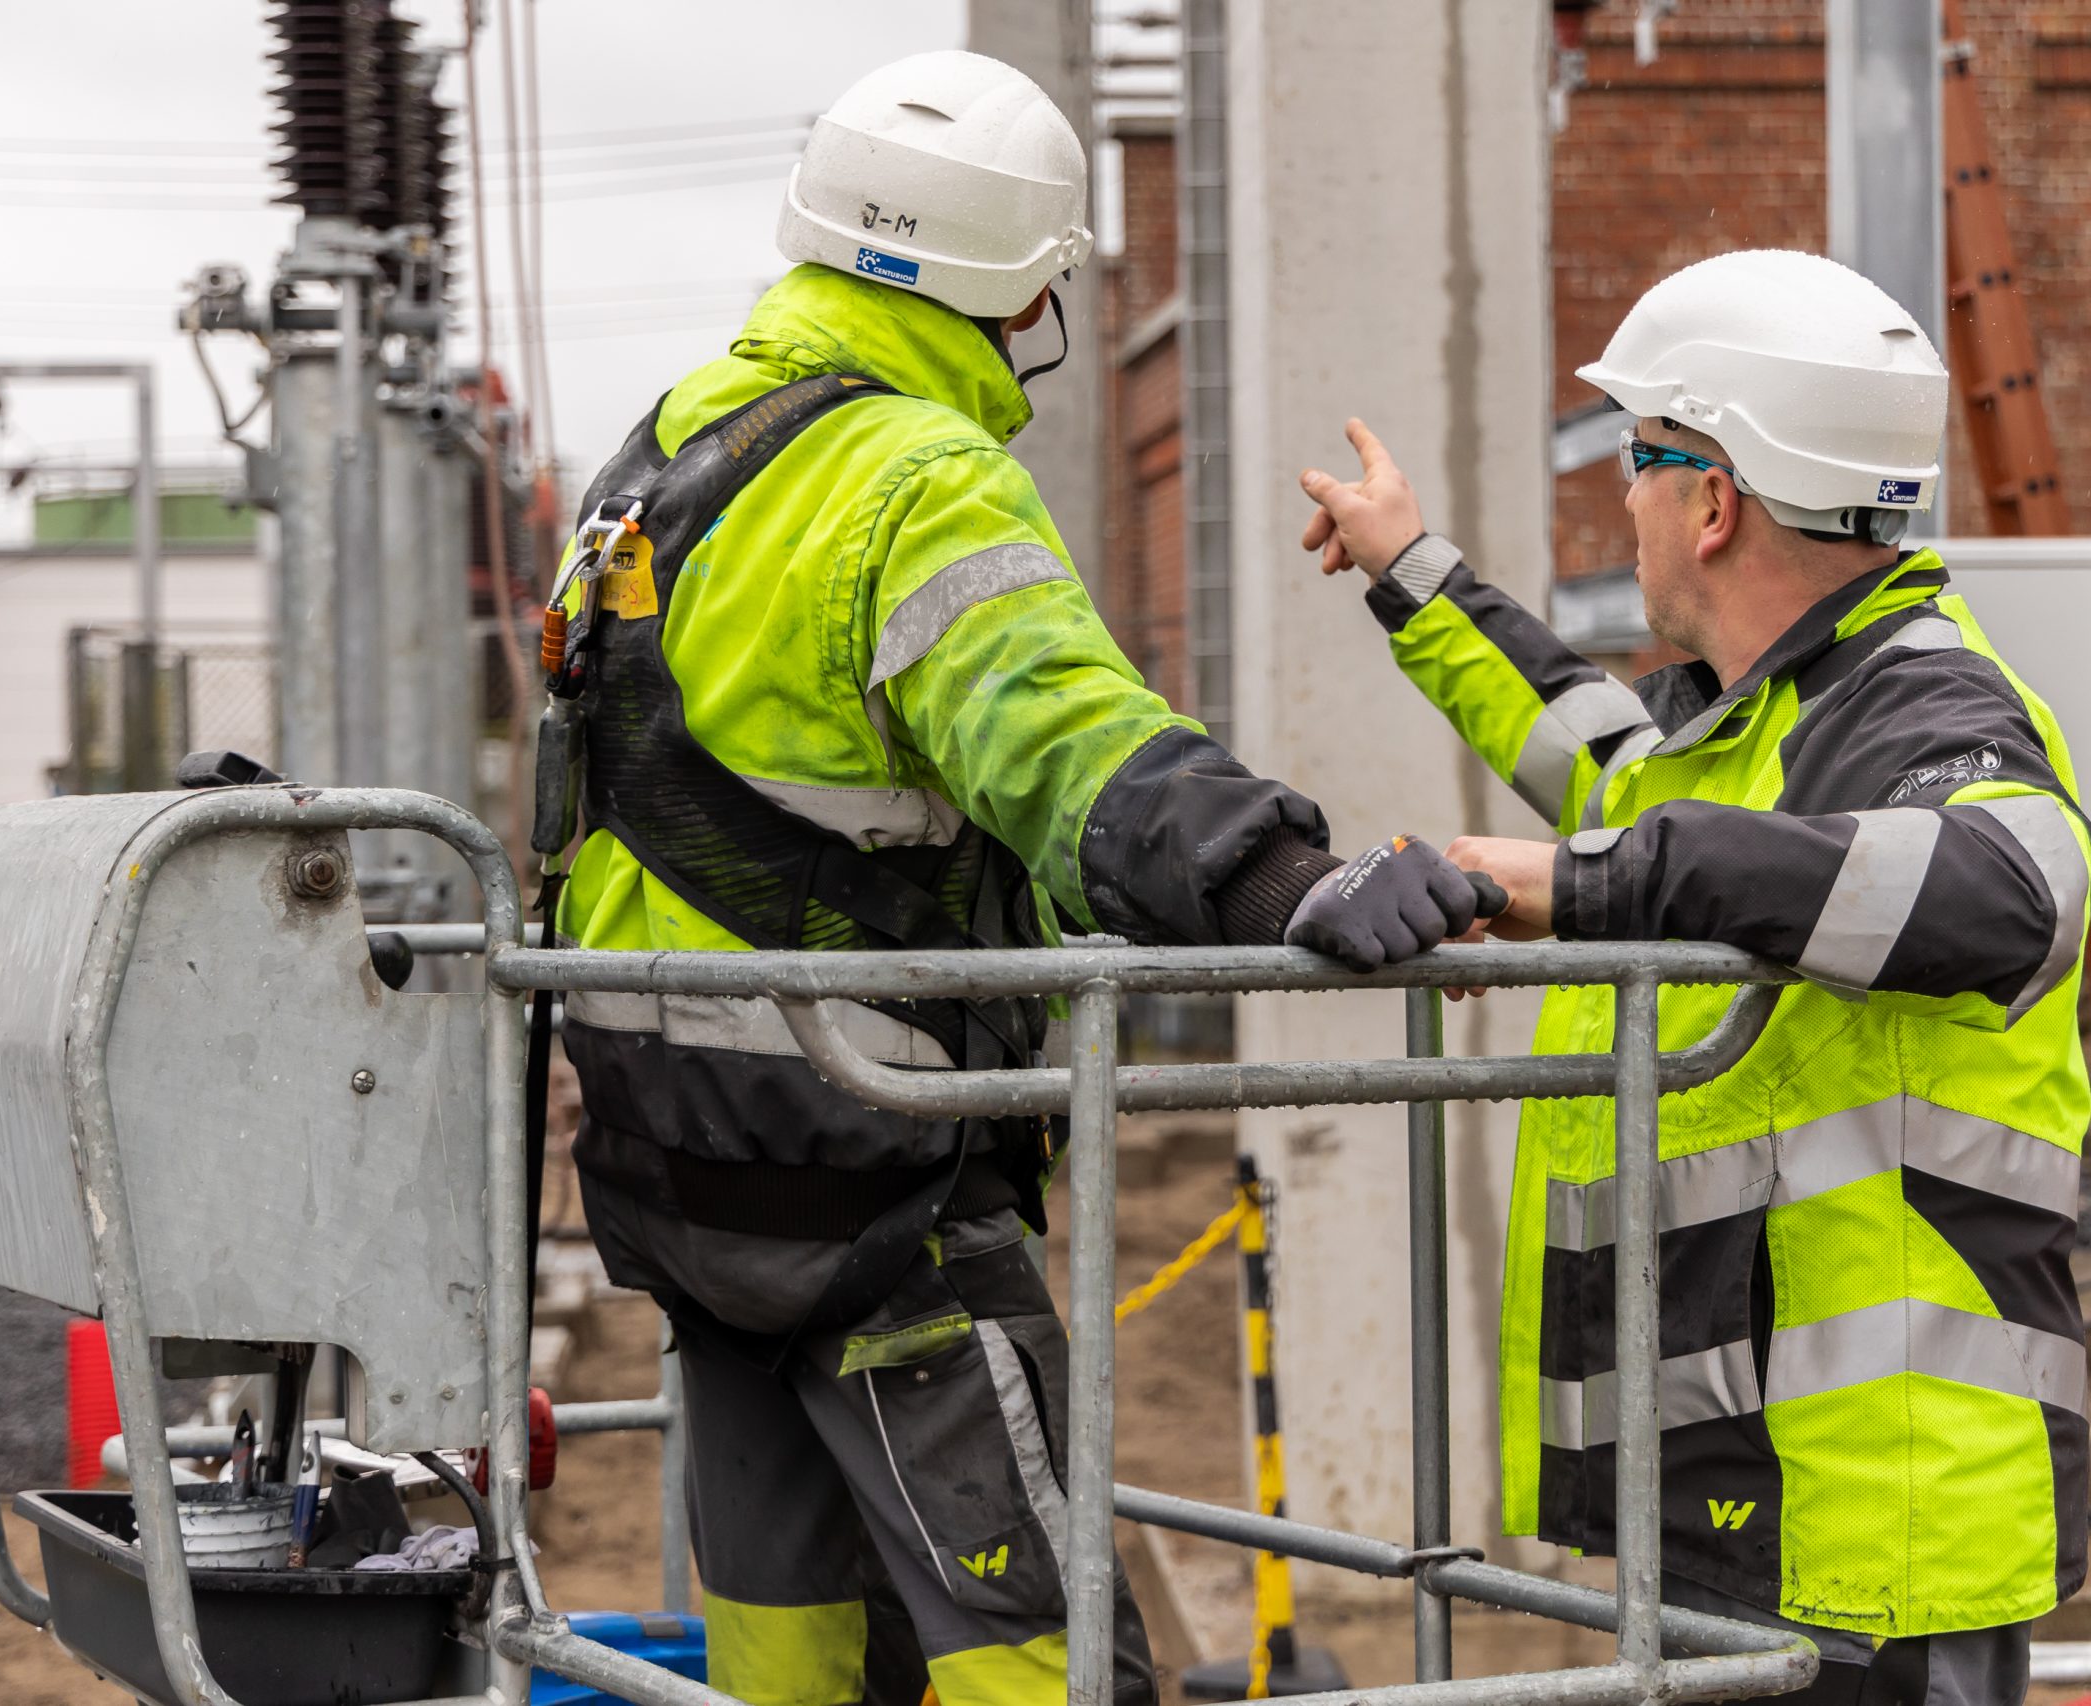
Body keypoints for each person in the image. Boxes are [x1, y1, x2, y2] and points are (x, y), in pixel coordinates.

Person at [551, 50, 1478, 1706]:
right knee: (1037, 1656)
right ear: (1016, 288)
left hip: (670, 1166)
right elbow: (1052, 735)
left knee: (788, 1644)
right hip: (865, 1167)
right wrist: (1280, 879)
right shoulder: (910, 477)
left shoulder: (656, 456)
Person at [1296, 249, 2091, 1706]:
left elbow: (2019, 886)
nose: (1624, 496)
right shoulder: (1747, 726)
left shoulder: (1932, 703)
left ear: (1712, 499)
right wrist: (1413, 574)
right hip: (1741, 1491)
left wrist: (1580, 886)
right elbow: (1595, 757)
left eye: (1637, 455)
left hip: (1876, 1539)